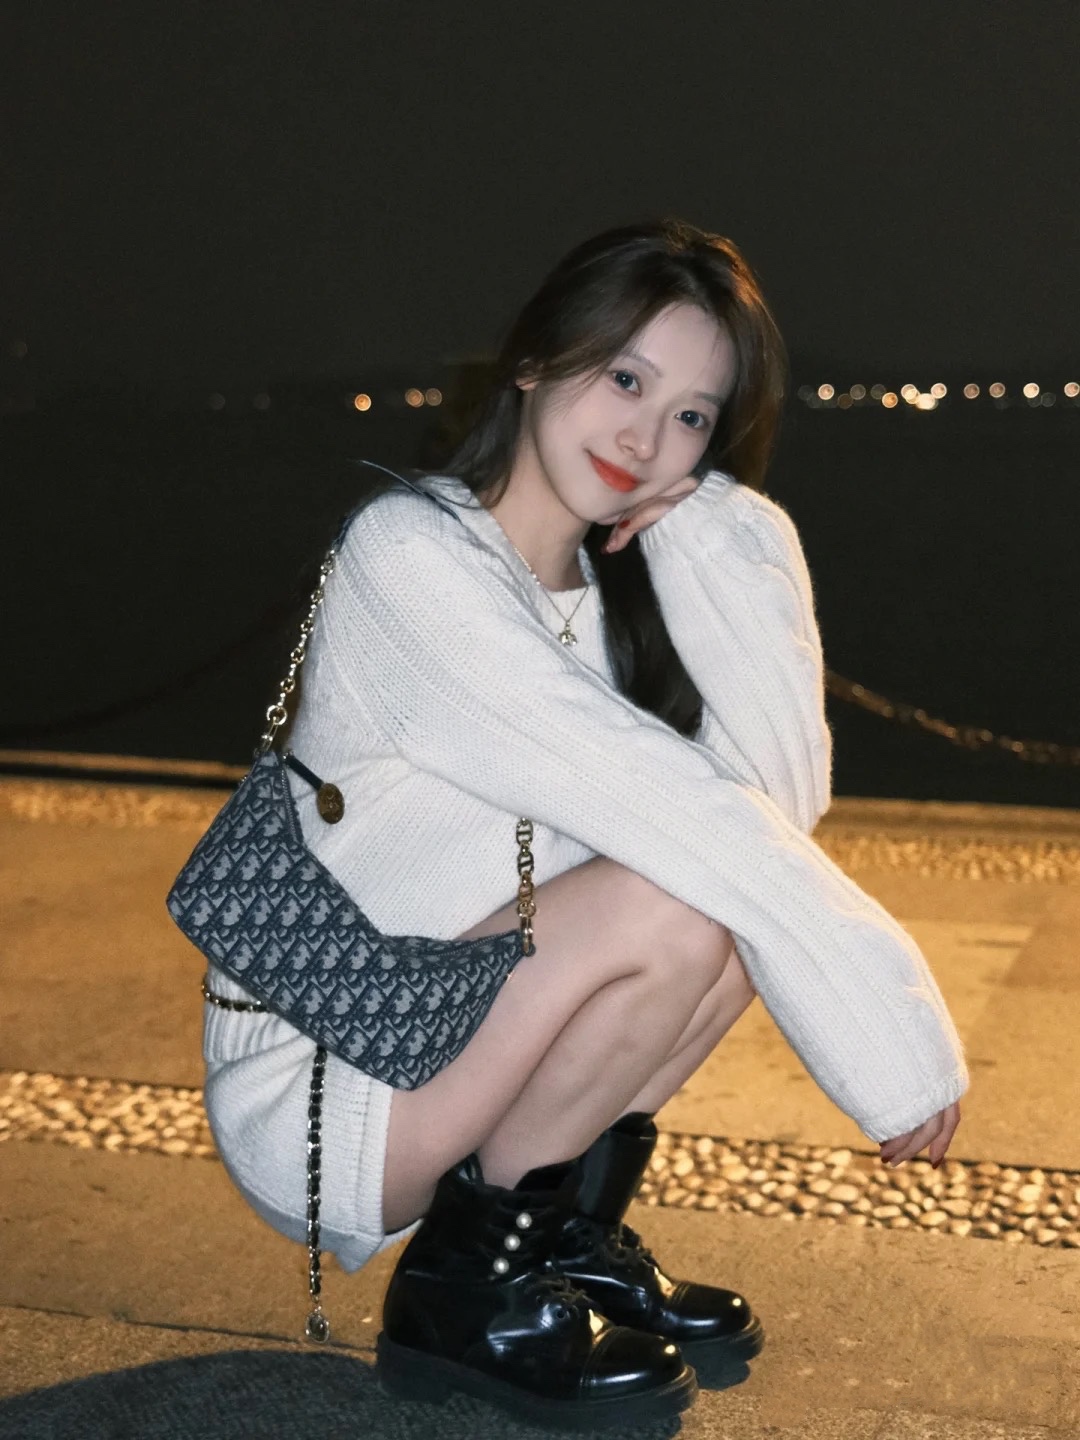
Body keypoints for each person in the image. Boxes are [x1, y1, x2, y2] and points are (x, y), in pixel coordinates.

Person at [201, 218, 966, 1430]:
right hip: (331, 1073)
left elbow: (777, 805)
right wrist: (882, 1017)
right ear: (534, 362)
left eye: (692, 415)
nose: (646, 437)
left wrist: (718, 534)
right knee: (680, 891)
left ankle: (554, 1240)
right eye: (624, 378)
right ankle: (468, 1289)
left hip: (453, 1035)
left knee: (728, 904)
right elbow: (682, 818)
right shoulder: (412, 556)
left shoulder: (612, 598)